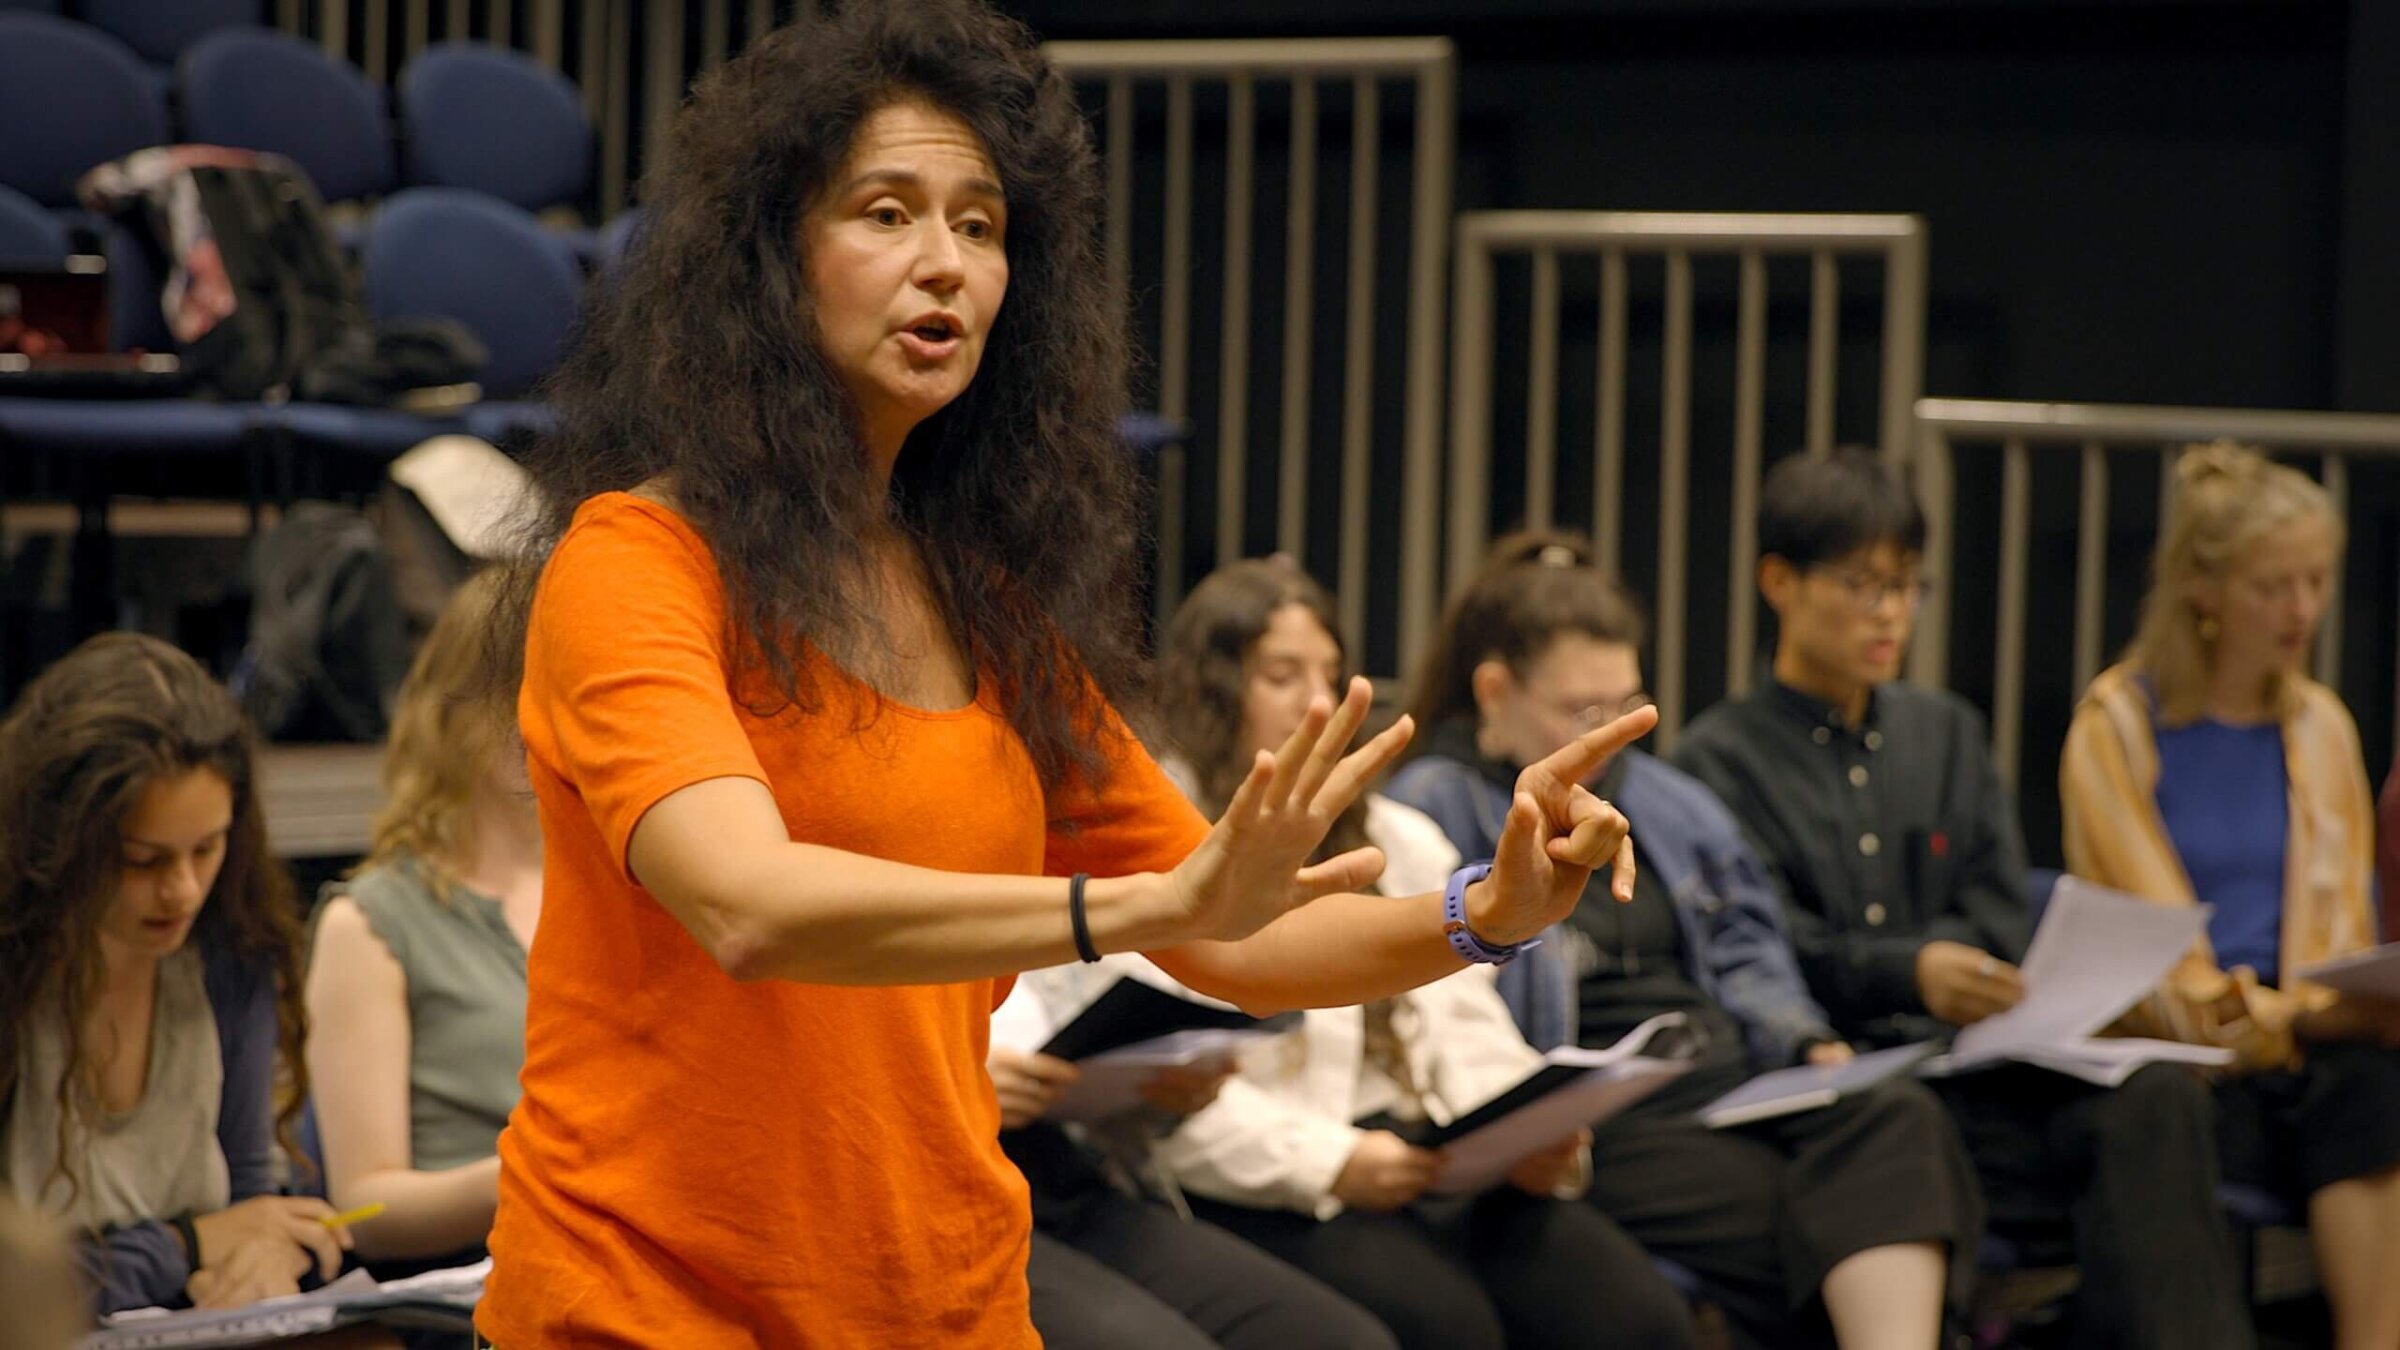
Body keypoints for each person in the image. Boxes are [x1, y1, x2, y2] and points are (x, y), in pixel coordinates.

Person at [474, 5, 1652, 1345]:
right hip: (648, 1303)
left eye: (980, 226)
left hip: (943, 1295)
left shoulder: (988, 610)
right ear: (769, 258)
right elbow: (748, 904)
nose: (947, 266)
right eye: (886, 213)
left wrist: (1486, 909)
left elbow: (1235, 935)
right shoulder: (635, 563)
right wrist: (1135, 906)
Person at [1672, 448, 2251, 1350]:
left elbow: (1996, 907)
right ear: (1778, 582)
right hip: (1846, 1089)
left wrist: (1968, 968)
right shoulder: (1717, 761)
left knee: (2153, 1094)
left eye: (1908, 585)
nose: (1890, 612)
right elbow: (1764, 944)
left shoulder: (1945, 733)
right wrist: (1911, 971)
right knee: (1902, 1128)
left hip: (1973, 1068)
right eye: (1862, 584)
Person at [1387, 534, 1982, 1350]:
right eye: (1579, 713)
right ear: (1495, 691)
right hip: (1599, 1115)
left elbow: (1744, 948)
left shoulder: (1671, 802)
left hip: (1725, 1082)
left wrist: (1803, 1041)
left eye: (1624, 706)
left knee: (1896, 1118)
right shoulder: (1429, 807)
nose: (1608, 737)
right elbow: (1441, 1007)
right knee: (1849, 1218)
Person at [1147, 558, 1700, 1350]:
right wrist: (1332, 1161)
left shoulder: (1396, 833)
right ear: (1211, 686)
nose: (1318, 701)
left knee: (1634, 1316)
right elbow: (1158, 1081)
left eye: (1331, 673)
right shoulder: (1166, 825)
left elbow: (1465, 1020)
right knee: (1447, 1326)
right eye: (1282, 674)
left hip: (1435, 1152)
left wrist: (1529, 1131)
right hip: (1284, 1169)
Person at [2059, 443, 2400, 1350]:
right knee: (2179, 1107)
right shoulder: (2119, 725)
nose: (2303, 611)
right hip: (2190, 1057)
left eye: (2317, 582)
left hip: (2308, 1050)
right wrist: (2294, 1021)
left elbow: (2346, 932)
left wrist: (2343, 1010)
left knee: (2371, 1087)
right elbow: (2157, 962)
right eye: (2273, 587)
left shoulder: (2321, 724)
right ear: (2203, 593)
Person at [0, 634, 350, 1315]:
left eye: (207, 848)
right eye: (142, 860)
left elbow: (248, 1204)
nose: (183, 890)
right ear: (61, 843)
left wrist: (267, 1253)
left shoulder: (230, 953)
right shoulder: (17, 974)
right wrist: (184, 1246)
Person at [305, 572, 535, 1273]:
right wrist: (552, 1170)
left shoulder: (629, 893)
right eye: (531, 692)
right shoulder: (370, 922)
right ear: (460, 712)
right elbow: (366, 1209)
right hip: (469, 1294)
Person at [991, 959, 1397, 1350]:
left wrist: (1159, 1089)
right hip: (953, 1196)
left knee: (1339, 1338)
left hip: (1056, 1169)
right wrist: (952, 1084)